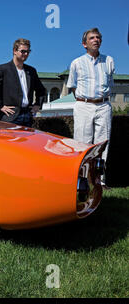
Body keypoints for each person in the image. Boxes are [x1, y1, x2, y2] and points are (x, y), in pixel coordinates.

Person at [66, 27, 114, 188]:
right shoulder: (76, 63)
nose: (96, 40)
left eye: (98, 37)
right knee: (82, 142)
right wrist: (85, 100)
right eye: (92, 38)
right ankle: (81, 179)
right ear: (84, 44)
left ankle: (99, 180)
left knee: (103, 142)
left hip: (104, 105)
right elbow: (71, 86)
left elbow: (110, 84)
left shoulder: (109, 61)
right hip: (83, 105)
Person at [0, 38, 46, 127]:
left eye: (28, 52)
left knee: (26, 141)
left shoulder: (31, 71)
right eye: (23, 51)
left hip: (27, 116)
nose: (26, 54)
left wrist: (37, 105)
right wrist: (0, 106)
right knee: (8, 141)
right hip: (10, 117)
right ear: (15, 51)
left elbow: (41, 90)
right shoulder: (3, 69)